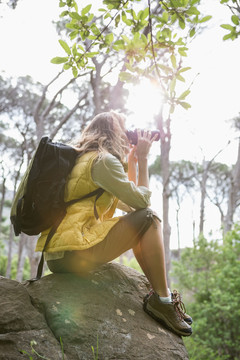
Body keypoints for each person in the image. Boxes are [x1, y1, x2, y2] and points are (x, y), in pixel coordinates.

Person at [35, 111, 192, 337]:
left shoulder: (83, 160)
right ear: (114, 133)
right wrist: (145, 159)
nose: (128, 138)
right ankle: (162, 300)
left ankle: (160, 295)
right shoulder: (104, 161)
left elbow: (131, 206)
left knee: (142, 222)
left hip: (59, 255)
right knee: (150, 218)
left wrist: (132, 162)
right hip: (73, 253)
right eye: (125, 131)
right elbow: (142, 204)